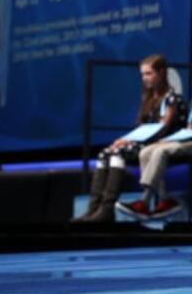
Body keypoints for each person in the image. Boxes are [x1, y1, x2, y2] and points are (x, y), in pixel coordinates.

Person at [72, 54, 184, 222]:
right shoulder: (148, 98)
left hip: (159, 143)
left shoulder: (171, 97)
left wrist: (132, 141)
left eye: (148, 73)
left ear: (161, 73)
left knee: (118, 154)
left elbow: (163, 128)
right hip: (145, 141)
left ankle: (107, 209)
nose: (144, 78)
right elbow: (142, 127)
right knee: (105, 153)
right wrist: (125, 139)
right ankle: (94, 208)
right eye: (142, 74)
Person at [119, 63, 192, 220]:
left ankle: (144, 200)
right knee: (147, 151)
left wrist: (185, 135)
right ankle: (164, 200)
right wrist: (171, 139)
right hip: (188, 140)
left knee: (162, 151)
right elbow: (188, 127)